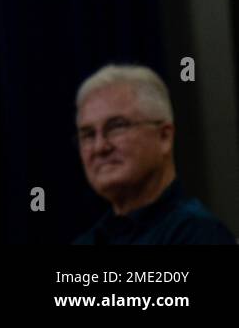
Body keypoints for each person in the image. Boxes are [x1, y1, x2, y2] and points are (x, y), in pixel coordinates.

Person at [72, 64, 235, 244]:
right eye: (88, 134)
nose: (100, 147)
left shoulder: (199, 234)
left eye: (117, 126)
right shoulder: (88, 241)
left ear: (164, 136)